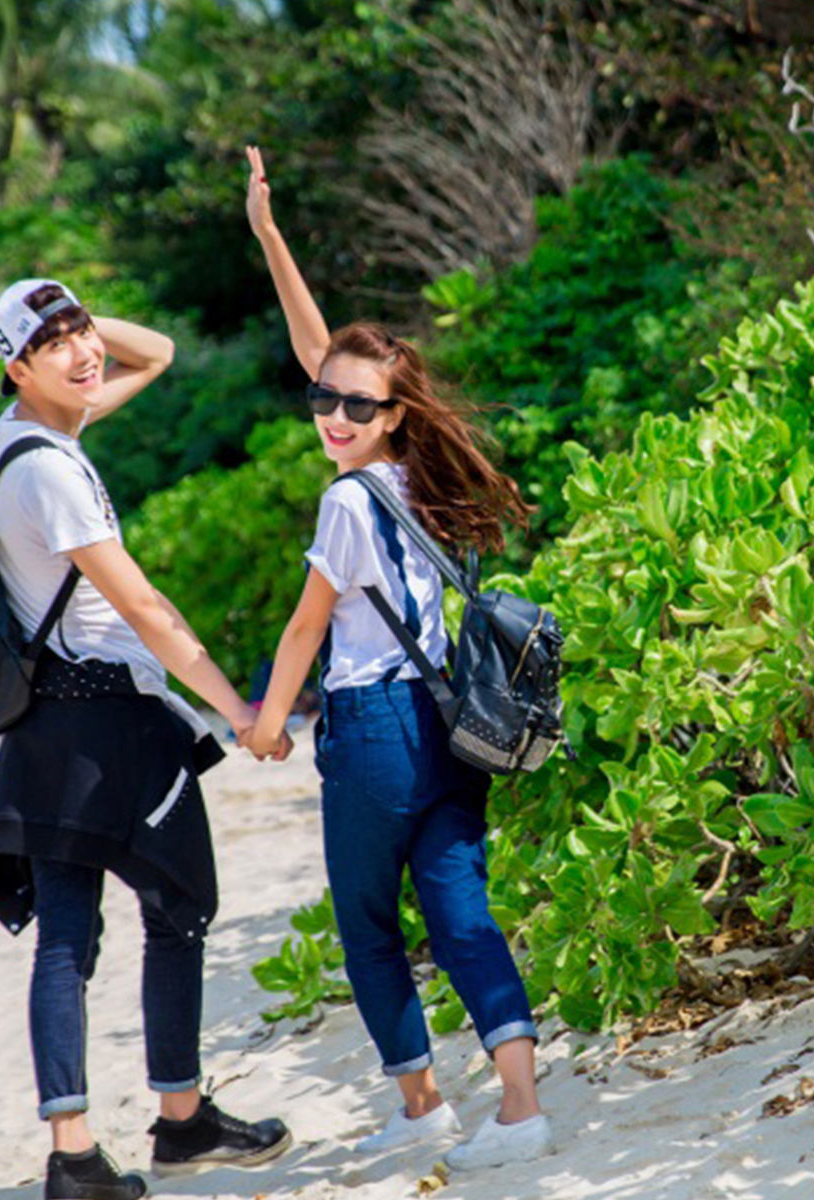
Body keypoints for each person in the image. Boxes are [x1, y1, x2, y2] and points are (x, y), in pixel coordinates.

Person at [240, 145, 553, 1171]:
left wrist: (268, 723)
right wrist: (271, 237)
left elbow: (305, 629)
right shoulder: (421, 476)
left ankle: (423, 1110)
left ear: (394, 415)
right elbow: (325, 354)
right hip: (446, 726)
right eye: (324, 403)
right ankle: (522, 1110)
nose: (334, 418)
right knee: (463, 919)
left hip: (374, 732)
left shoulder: (346, 499)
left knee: (371, 927)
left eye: (356, 408)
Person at [0, 279, 294, 1200]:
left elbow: (159, 354)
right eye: (53, 344)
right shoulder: (52, 471)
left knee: (68, 936)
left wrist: (64, 322)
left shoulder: (16, 439)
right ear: (16, 369)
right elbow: (142, 605)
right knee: (180, 906)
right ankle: (181, 1122)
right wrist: (238, 711)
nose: (83, 352)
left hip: (46, 727)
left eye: (82, 331)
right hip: (112, 720)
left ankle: (74, 1158)